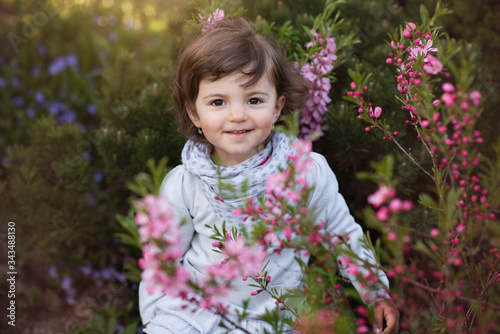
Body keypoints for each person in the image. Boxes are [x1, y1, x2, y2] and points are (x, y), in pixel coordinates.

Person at [139, 16, 399, 334]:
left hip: (278, 316)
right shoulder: (185, 182)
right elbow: (162, 260)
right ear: (194, 113)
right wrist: (153, 316)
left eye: (254, 100)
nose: (237, 115)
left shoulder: (303, 171)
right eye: (218, 102)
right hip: (197, 312)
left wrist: (376, 294)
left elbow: (342, 234)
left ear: (277, 107)